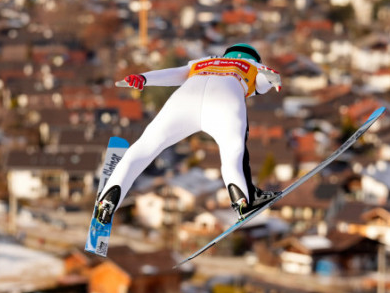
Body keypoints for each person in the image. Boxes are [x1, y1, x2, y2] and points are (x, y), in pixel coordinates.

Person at [94, 43, 283, 225]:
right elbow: (264, 79)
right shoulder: (254, 65)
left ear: (227, 54)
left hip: (184, 101)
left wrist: (144, 78)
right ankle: (243, 201)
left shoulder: (204, 61)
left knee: (145, 146)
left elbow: (175, 74)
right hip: (224, 102)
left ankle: (107, 201)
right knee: (233, 152)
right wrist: (273, 78)